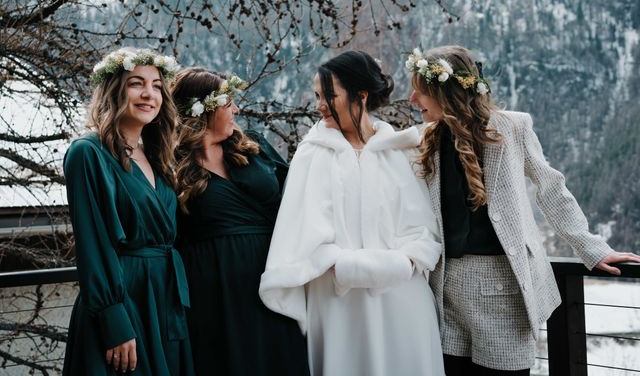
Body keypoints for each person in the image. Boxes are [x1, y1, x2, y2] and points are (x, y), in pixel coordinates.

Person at [405, 44, 640, 376]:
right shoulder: (423, 139)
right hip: (445, 291)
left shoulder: (512, 128)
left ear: (446, 92)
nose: (413, 101)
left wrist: (592, 247)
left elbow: (551, 189)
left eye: (420, 91)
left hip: (505, 290)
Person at [259, 51, 445, 376]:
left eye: (329, 95)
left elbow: (425, 232)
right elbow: (300, 232)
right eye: (317, 95)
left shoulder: (401, 150)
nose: (319, 104)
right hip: (337, 304)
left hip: (402, 302)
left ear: (361, 95)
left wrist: (404, 262)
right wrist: (343, 266)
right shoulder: (311, 154)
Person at [63, 48, 194, 376]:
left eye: (156, 86)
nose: (149, 94)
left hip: (164, 300)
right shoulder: (88, 153)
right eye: (137, 83)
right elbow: (93, 244)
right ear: (114, 89)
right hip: (124, 299)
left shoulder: (159, 157)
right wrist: (113, 320)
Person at [171, 67, 310, 376]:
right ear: (203, 110)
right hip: (213, 292)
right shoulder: (173, 166)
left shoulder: (253, 146)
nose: (236, 109)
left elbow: (300, 196)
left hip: (271, 282)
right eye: (227, 103)